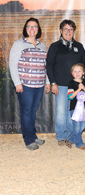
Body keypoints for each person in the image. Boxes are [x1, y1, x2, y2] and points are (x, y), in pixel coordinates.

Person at [9, 18, 51, 150]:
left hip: (39, 84)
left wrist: (48, 82)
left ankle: (33, 136)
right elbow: (12, 65)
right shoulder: (18, 44)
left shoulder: (42, 45)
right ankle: (28, 140)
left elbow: (46, 66)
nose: (32, 29)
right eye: (29, 26)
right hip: (25, 84)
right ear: (25, 29)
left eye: (35, 26)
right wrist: (17, 83)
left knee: (32, 111)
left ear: (38, 29)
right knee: (27, 111)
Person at [46, 20, 85, 147]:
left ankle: (72, 136)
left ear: (74, 31)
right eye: (65, 29)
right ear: (60, 30)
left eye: (71, 29)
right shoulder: (55, 46)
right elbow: (49, 65)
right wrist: (53, 82)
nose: (68, 31)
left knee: (74, 111)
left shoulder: (79, 46)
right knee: (61, 112)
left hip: (77, 86)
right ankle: (61, 136)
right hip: (60, 84)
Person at [67, 63, 85, 149]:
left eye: (79, 71)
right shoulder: (71, 83)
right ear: (72, 73)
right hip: (74, 108)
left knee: (82, 127)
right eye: (75, 71)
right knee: (77, 127)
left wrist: (84, 88)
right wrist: (78, 89)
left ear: (83, 73)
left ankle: (70, 139)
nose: (77, 73)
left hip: (84, 108)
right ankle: (79, 144)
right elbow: (70, 96)